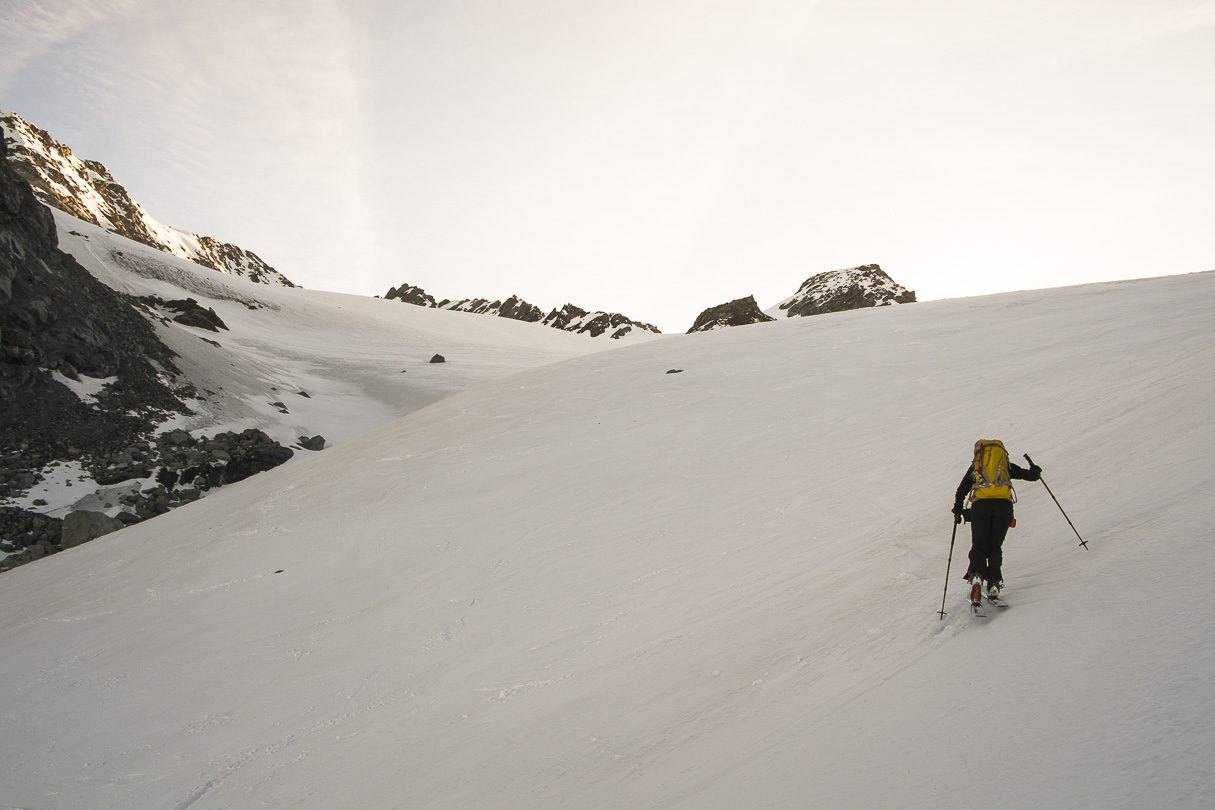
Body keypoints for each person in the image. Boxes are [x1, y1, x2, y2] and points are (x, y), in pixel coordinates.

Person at [952, 439, 1041, 605]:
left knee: (979, 545)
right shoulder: (1006, 466)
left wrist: (957, 511)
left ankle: (977, 576)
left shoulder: (977, 468)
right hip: (1003, 508)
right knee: (995, 546)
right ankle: (993, 584)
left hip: (980, 508)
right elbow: (1031, 476)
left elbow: (961, 490)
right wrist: (1035, 470)